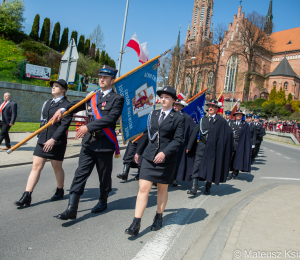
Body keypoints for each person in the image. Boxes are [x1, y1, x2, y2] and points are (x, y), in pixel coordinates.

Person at [52, 65, 124, 220]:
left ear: (113, 80)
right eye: (100, 77)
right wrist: (63, 109)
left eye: (105, 77)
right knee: (80, 174)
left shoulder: (117, 99)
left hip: (104, 144)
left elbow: (110, 119)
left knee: (104, 175)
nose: (102, 80)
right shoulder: (93, 96)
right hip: (89, 143)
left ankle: (103, 199)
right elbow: (77, 105)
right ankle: (72, 209)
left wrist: (87, 127)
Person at [125, 86, 184, 236]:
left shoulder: (178, 117)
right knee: (143, 189)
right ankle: (136, 222)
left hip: (166, 159)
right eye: (162, 97)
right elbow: (146, 134)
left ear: (174, 100)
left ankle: (158, 216)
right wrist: (138, 151)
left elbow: (178, 140)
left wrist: (164, 152)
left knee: (162, 189)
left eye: (167, 97)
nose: (163, 99)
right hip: (149, 157)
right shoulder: (153, 114)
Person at [14, 79, 72, 207]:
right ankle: (27, 195)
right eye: (53, 86)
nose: (53, 88)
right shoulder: (47, 103)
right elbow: (43, 121)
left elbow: (64, 126)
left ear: (63, 90)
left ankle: (60, 190)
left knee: (57, 168)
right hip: (42, 139)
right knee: (36, 167)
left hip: (56, 141)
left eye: (56, 86)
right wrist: (39, 136)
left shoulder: (66, 105)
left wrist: (53, 139)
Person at [186, 100, 233, 196]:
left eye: (213, 106)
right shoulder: (203, 119)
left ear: (216, 109)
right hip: (201, 146)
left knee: (210, 168)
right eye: (209, 106)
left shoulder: (221, 121)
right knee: (196, 166)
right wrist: (189, 146)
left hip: (213, 149)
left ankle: (208, 186)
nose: (210, 108)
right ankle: (194, 188)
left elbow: (229, 134)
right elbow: (195, 132)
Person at [172, 98, 196, 186]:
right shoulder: (168, 115)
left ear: (182, 107)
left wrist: (189, 145)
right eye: (174, 105)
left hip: (180, 144)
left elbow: (192, 132)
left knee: (177, 162)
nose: (176, 107)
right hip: (168, 143)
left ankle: (175, 178)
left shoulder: (187, 117)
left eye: (178, 105)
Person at [229, 110, 252, 179]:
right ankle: (230, 169)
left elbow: (247, 136)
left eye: (240, 115)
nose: (239, 116)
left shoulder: (245, 125)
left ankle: (235, 172)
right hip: (231, 143)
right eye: (237, 114)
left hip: (240, 144)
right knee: (230, 157)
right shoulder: (231, 123)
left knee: (238, 158)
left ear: (242, 116)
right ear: (235, 116)